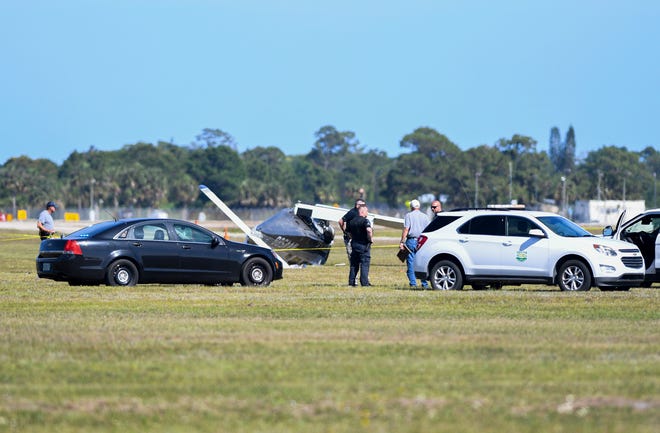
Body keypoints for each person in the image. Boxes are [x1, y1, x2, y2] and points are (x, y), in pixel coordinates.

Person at [399, 199, 430, 288]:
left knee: (411, 262)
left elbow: (406, 229)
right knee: (422, 262)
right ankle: (424, 284)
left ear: (411, 207)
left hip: (411, 241)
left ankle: (413, 283)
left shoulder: (408, 215)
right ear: (419, 207)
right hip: (422, 241)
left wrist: (402, 242)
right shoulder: (425, 216)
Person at [347, 205, 373, 287]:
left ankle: (351, 282)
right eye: (366, 211)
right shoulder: (365, 221)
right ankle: (364, 283)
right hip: (364, 245)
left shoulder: (351, 221)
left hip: (354, 244)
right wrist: (370, 239)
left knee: (354, 265)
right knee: (364, 264)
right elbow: (368, 230)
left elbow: (347, 232)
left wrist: (353, 238)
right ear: (362, 211)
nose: (367, 213)